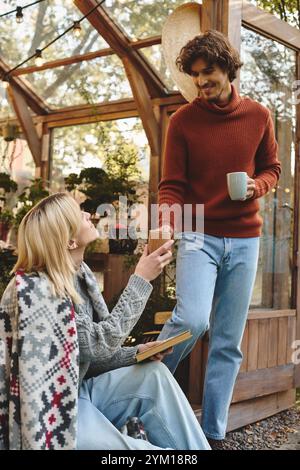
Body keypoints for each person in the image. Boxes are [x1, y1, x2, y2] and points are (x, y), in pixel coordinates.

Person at [0, 192, 210, 450]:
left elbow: (86, 354)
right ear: (68, 241)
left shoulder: (78, 276)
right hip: (55, 412)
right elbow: (99, 345)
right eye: (78, 214)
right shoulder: (38, 291)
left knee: (154, 374)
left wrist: (135, 354)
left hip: (79, 391)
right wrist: (141, 280)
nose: (88, 214)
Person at [158, 30, 281, 447]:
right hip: (198, 234)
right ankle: (139, 387)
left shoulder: (259, 116)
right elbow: (171, 184)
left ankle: (213, 433)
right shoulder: (182, 122)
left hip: (246, 239)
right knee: (192, 319)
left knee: (228, 342)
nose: (201, 82)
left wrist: (256, 187)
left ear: (228, 68)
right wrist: (167, 225)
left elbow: (273, 169)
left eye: (207, 72)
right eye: (194, 75)